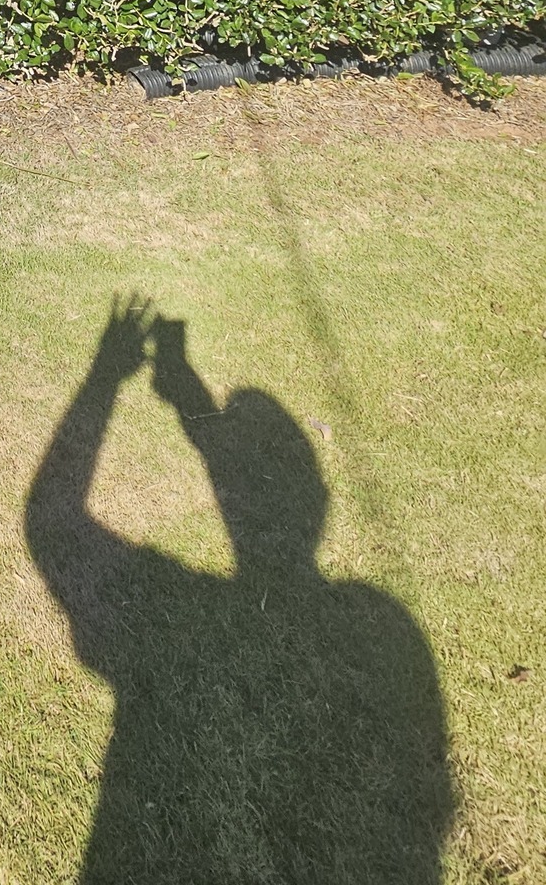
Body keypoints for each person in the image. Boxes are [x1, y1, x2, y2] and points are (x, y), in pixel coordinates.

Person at [25, 297, 452, 882]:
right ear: (322, 508)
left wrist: (106, 376)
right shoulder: (385, 629)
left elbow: (55, 523)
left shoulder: (195, 615)